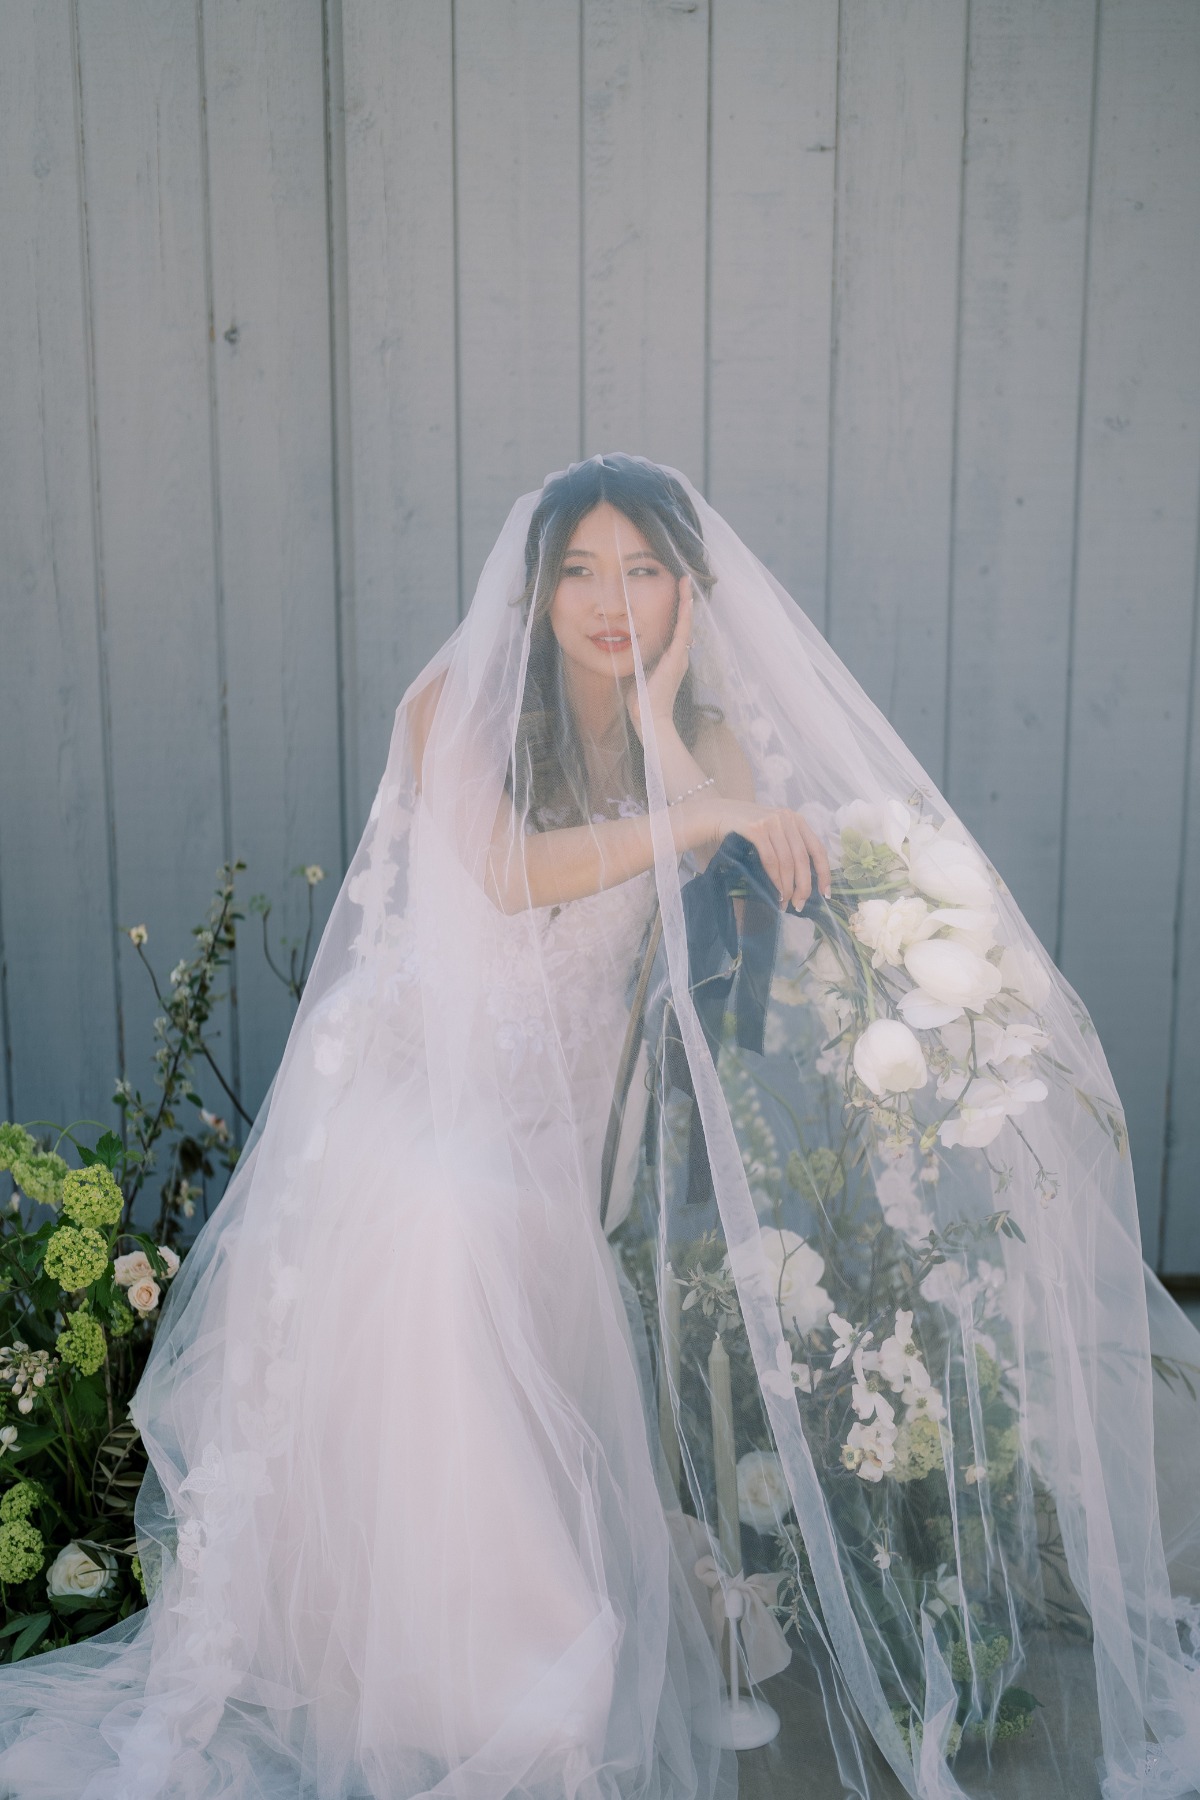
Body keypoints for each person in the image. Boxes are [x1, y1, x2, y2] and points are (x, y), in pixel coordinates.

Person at [0, 454, 1197, 1800]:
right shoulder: (452, 705)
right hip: (421, 1102)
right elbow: (510, 876)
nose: (607, 597)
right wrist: (698, 807)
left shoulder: (705, 737)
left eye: (642, 570)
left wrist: (666, 711)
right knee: (446, 1221)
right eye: (579, 569)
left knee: (501, 1219)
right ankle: (501, 1679)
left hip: (577, 1136)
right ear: (535, 585)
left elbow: (706, 861)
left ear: (688, 588)